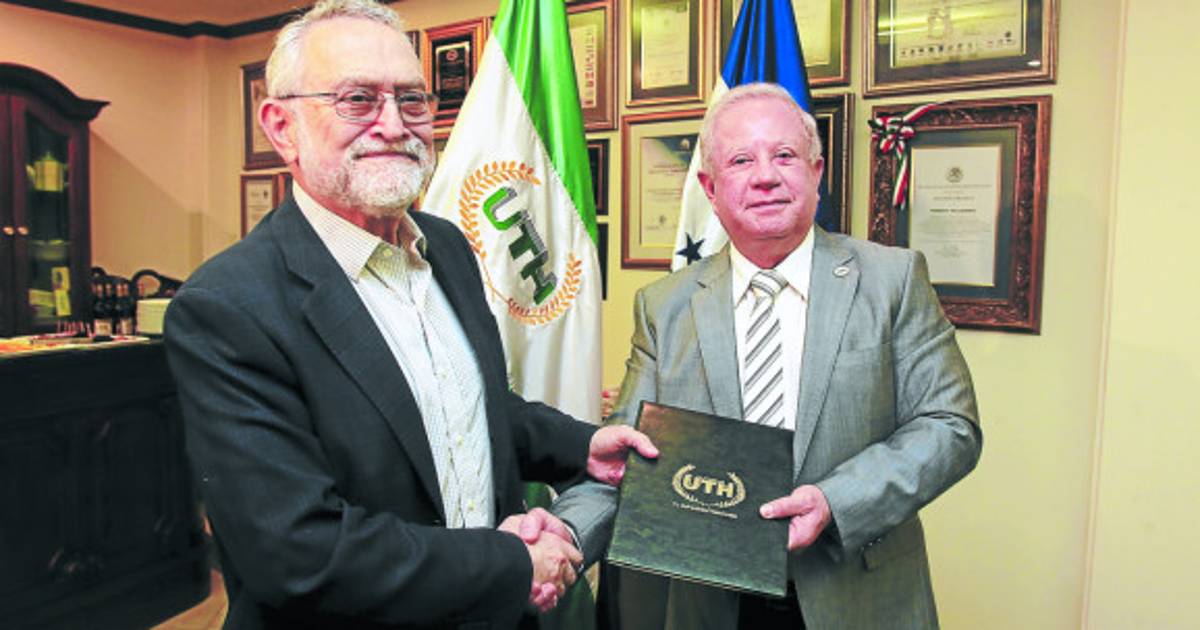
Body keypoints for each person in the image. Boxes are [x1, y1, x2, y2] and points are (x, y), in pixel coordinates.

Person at [163, 1, 655, 628]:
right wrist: (512, 563)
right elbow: (298, 551)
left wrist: (582, 445)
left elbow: (465, 406)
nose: (394, 125)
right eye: (357, 100)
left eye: (412, 100)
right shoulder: (227, 308)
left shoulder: (445, 246)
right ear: (281, 127)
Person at [553, 82, 983, 629]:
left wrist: (834, 501)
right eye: (741, 161)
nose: (765, 177)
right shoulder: (664, 307)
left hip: (856, 595)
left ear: (815, 172)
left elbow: (950, 425)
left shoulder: (891, 281)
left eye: (784, 155)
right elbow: (627, 459)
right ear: (710, 188)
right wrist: (564, 533)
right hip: (711, 603)